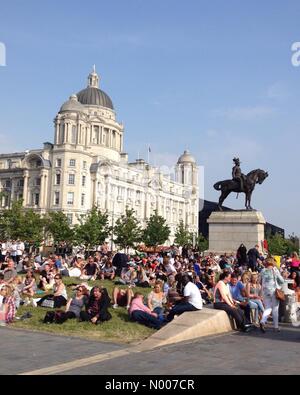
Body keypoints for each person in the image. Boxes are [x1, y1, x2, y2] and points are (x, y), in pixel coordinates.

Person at [259, 257, 284, 333]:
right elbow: (281, 281)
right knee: (275, 309)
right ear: (273, 263)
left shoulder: (263, 271)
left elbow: (260, 281)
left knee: (268, 307)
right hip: (274, 291)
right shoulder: (275, 270)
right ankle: (276, 327)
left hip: (265, 291)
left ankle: (263, 321)